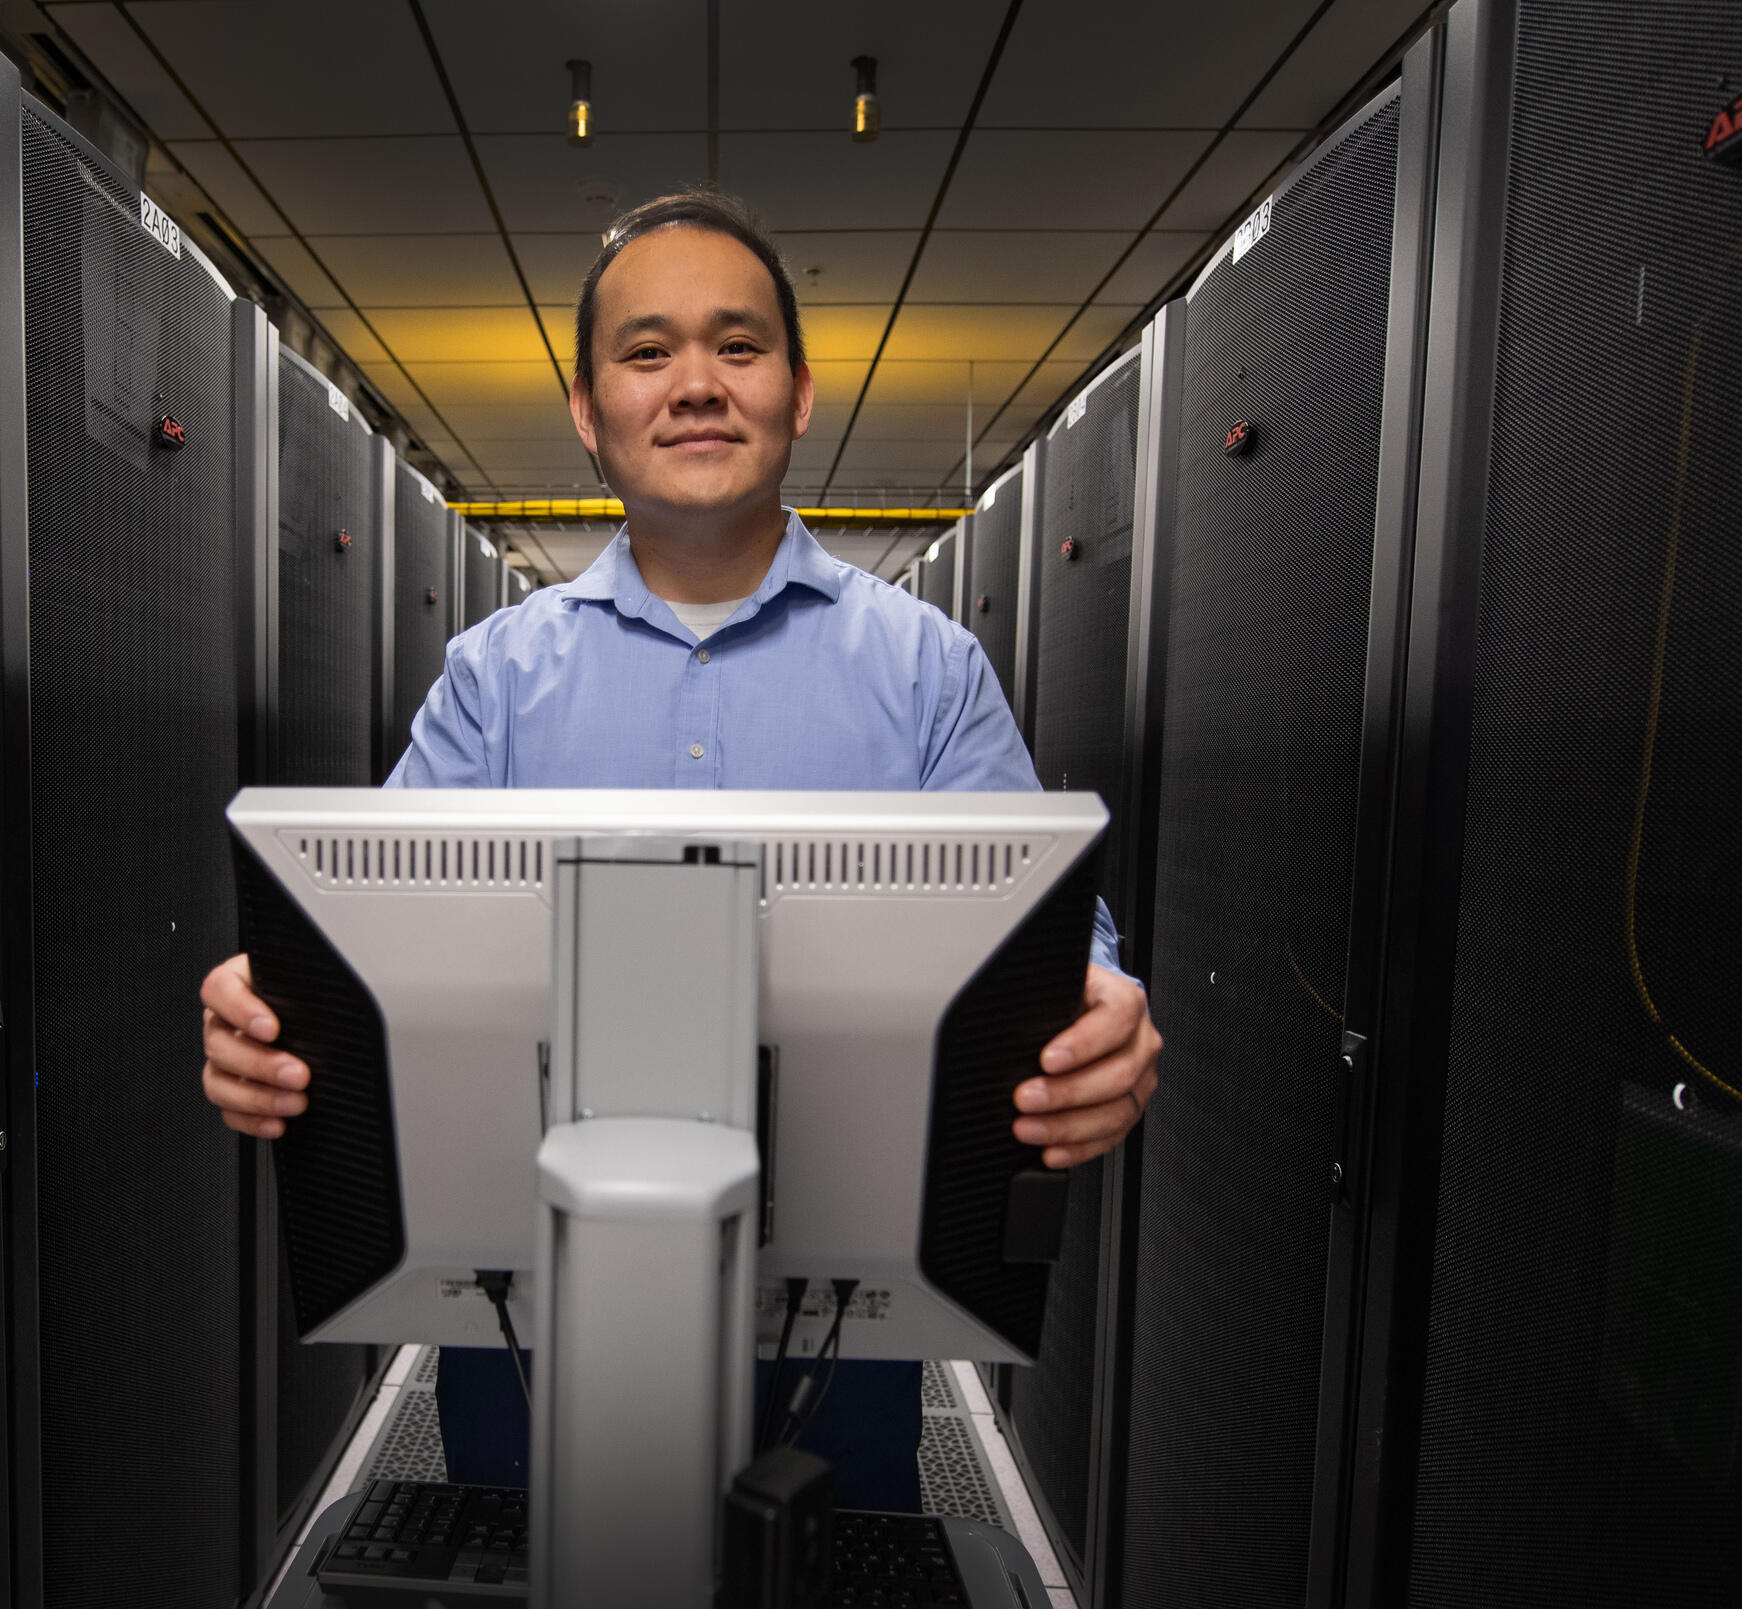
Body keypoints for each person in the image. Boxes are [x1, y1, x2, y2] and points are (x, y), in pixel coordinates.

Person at [200, 187, 1160, 1508]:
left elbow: (1057, 954)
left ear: (802, 392)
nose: (696, 384)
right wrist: (270, 1016)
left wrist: (1104, 1015)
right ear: (589, 411)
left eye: (739, 345)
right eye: (648, 353)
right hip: (530, 1326)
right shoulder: (494, 681)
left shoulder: (930, 673)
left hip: (841, 1331)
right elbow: (356, 942)